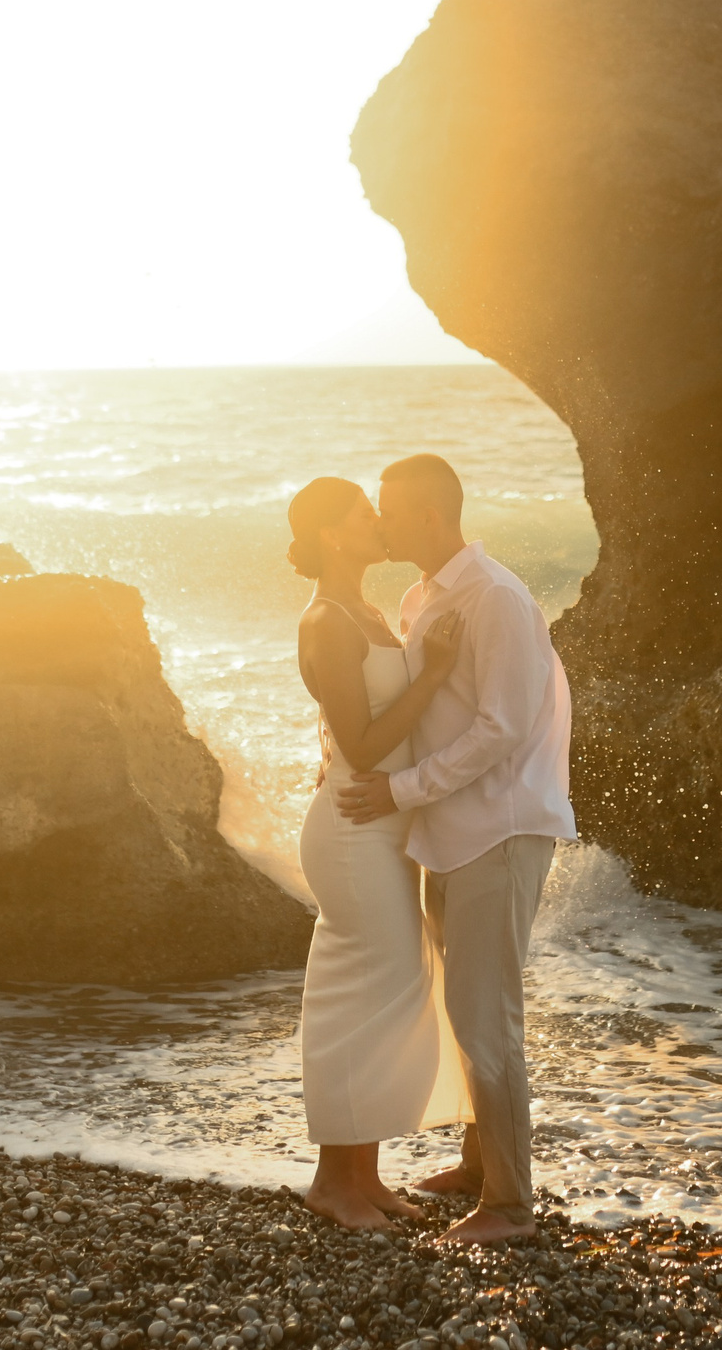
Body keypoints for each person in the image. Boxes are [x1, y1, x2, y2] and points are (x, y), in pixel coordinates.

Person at [339, 453, 577, 1245]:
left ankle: (511, 1207)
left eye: (391, 510)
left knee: (487, 1017)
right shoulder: (423, 596)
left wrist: (401, 793)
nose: (379, 521)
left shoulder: (497, 598)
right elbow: (425, 708)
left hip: (501, 829)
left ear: (434, 518)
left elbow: (501, 727)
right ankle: (480, 1168)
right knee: (466, 1008)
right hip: (452, 829)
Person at [286, 475, 471, 1229]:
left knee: (387, 989)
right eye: (367, 515)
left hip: (383, 823)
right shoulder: (327, 619)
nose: (380, 523)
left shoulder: (365, 610)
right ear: (334, 534)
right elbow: (363, 743)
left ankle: (362, 1176)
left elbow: (343, 728)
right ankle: (333, 1182)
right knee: (361, 990)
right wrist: (431, 673)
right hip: (356, 827)